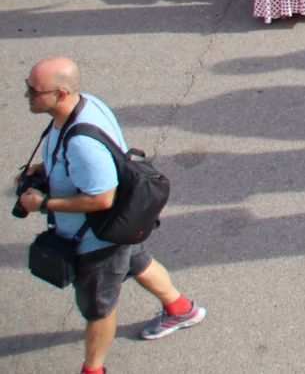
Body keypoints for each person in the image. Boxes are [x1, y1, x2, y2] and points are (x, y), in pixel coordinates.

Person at [16, 57, 207, 374]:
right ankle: (181, 309)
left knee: (98, 310)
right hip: (117, 229)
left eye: (34, 90)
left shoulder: (82, 144)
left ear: (61, 93)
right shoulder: (86, 104)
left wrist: (45, 204)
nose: (28, 95)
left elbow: (102, 198)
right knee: (137, 261)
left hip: (96, 239)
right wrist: (46, 170)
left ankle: (93, 369)